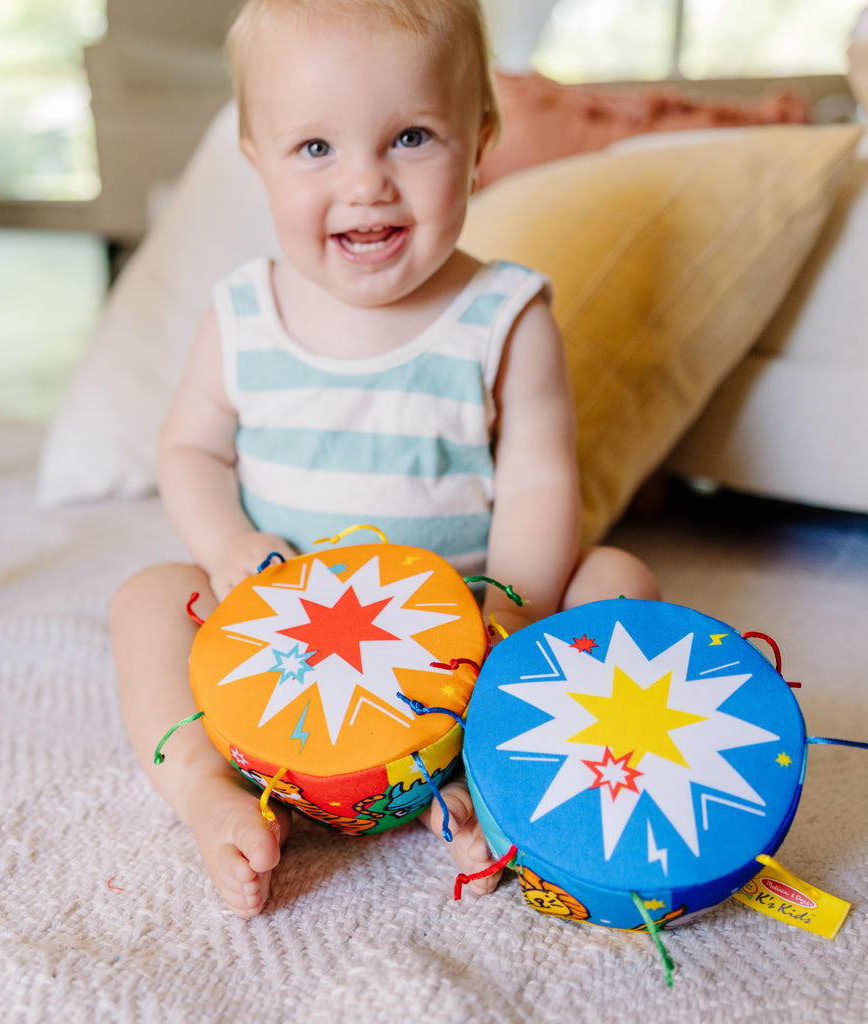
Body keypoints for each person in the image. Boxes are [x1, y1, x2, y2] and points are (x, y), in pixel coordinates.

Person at [110, 0, 660, 919]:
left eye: (410, 137)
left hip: (458, 641)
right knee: (148, 600)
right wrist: (230, 542)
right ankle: (209, 789)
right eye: (315, 149)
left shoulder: (505, 315)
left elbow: (538, 478)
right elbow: (192, 450)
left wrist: (509, 602)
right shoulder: (243, 315)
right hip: (279, 652)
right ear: (257, 158)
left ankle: (496, 773)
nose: (366, 183)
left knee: (617, 575)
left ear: (479, 141)